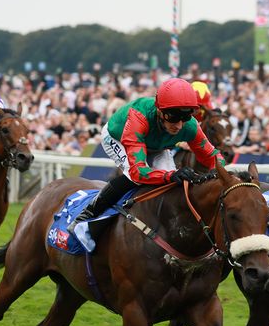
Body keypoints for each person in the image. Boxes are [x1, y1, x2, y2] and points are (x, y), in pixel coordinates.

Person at [69, 78, 226, 226]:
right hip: (118, 137)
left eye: (185, 117)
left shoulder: (190, 126)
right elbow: (138, 172)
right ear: (160, 111)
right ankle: (88, 213)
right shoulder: (139, 118)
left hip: (155, 144)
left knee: (172, 184)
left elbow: (213, 156)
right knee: (135, 178)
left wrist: (219, 172)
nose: (179, 125)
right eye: (173, 117)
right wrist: (169, 175)